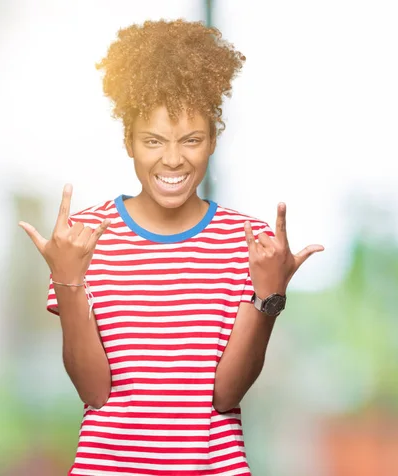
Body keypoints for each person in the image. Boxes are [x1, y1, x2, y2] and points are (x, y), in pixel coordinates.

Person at [18, 19, 323, 476]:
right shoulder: (83, 237)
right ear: (128, 142)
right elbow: (94, 392)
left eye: (192, 140)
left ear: (213, 140)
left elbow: (226, 395)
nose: (173, 159)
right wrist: (68, 281)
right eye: (153, 141)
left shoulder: (249, 243)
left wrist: (267, 298)